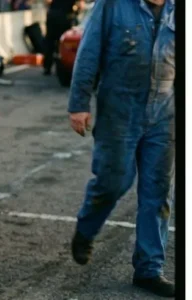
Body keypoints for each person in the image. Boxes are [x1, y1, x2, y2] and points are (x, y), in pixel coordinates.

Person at [68, 0, 175, 297]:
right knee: (113, 183)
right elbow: (88, 52)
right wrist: (79, 104)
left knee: (158, 192)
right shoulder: (112, 5)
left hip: (165, 113)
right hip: (119, 109)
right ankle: (86, 230)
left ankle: (149, 268)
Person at [42, 0, 78, 75]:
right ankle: (62, 67)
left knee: (50, 43)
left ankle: (47, 67)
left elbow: (47, 1)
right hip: (65, 17)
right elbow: (80, 5)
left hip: (53, 16)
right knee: (63, 44)